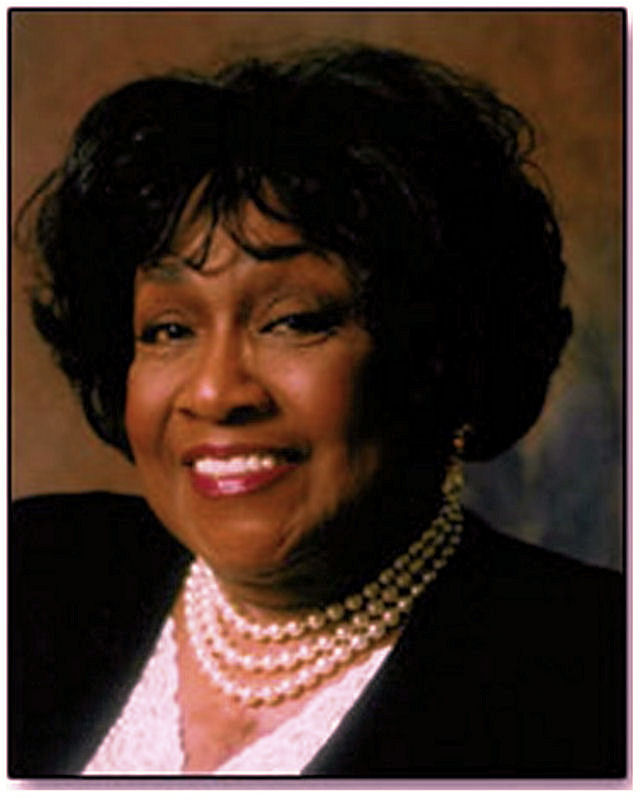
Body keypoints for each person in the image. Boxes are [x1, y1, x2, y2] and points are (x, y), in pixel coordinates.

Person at [9, 43, 625, 778]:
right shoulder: (33, 573)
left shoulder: (595, 672)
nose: (214, 392)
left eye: (294, 321)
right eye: (169, 329)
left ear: (439, 354)